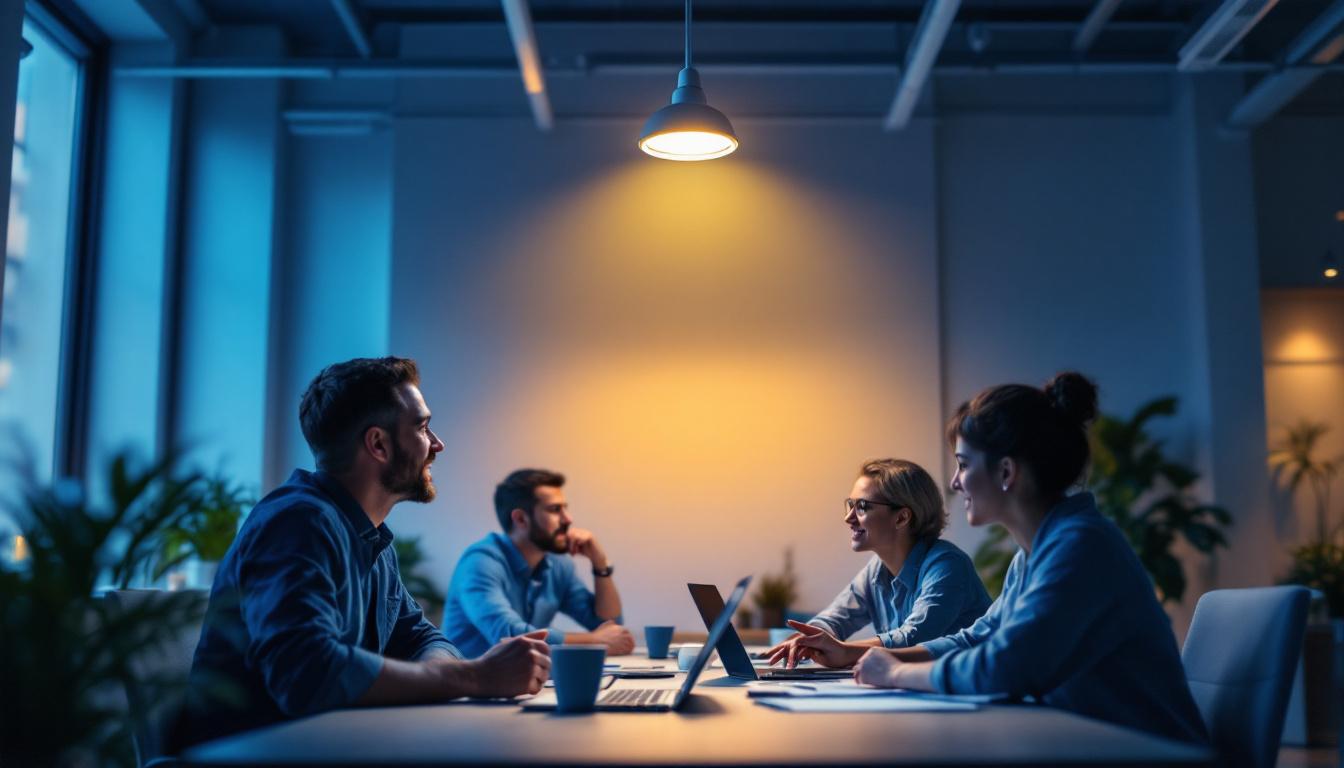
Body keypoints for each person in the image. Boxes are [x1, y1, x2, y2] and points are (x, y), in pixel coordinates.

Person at [178, 357, 550, 749]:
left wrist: (440, 679)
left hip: (325, 747)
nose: (437, 445)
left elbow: (423, 638)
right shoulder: (297, 524)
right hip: (255, 755)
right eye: (422, 427)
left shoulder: (369, 537)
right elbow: (308, 675)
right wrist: (476, 678)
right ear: (378, 444)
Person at [850, 372, 1207, 745]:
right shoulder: (1036, 552)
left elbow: (1007, 667)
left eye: (964, 464)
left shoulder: (1080, 547)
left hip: (1153, 754)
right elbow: (978, 638)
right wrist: (890, 660)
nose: (955, 482)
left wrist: (895, 674)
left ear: (1006, 472)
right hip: (1098, 744)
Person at [765, 459, 991, 669]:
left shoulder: (947, 565)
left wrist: (845, 651)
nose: (849, 518)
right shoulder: (877, 569)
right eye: (850, 505)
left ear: (901, 518)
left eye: (862, 506)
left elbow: (914, 639)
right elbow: (836, 618)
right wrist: (808, 639)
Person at [442, 469, 634, 658]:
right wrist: (595, 640)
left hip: (523, 685)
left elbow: (610, 625)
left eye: (565, 508)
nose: (568, 519)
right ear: (520, 519)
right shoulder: (480, 562)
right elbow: (511, 636)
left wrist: (600, 564)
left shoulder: (558, 565)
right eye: (555, 509)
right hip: (467, 686)